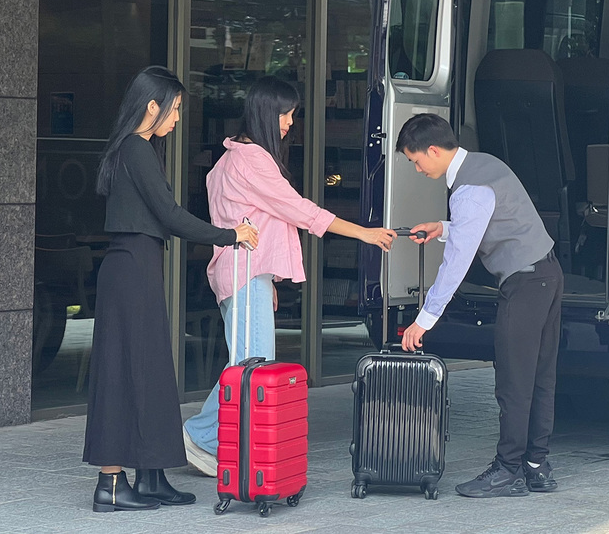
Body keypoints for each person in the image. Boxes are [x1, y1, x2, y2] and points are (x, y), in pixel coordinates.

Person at [182, 76, 396, 476]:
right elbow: (299, 210)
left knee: (247, 363)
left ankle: (207, 436)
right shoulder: (252, 161)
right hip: (245, 274)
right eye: (285, 114)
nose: (289, 123)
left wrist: (270, 279)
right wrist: (363, 232)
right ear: (267, 113)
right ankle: (201, 435)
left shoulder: (228, 159)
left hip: (243, 273)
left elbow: (260, 217)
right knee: (251, 365)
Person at [83, 66, 260, 513]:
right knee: (125, 371)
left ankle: (152, 474)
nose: (179, 118)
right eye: (176, 108)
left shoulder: (139, 149)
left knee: (152, 370)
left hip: (136, 266)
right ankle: (111, 484)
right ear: (152, 107)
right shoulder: (136, 149)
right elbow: (170, 214)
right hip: (131, 269)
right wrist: (230, 234)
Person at [396, 113, 564, 498]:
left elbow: (457, 262)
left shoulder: (468, 190)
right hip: (547, 275)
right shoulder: (486, 164)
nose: (417, 168)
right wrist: (443, 227)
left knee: (513, 382)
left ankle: (507, 470)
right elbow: (487, 221)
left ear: (433, 150)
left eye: (416, 160)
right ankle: (537, 466)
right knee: (539, 377)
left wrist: (424, 320)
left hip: (523, 283)